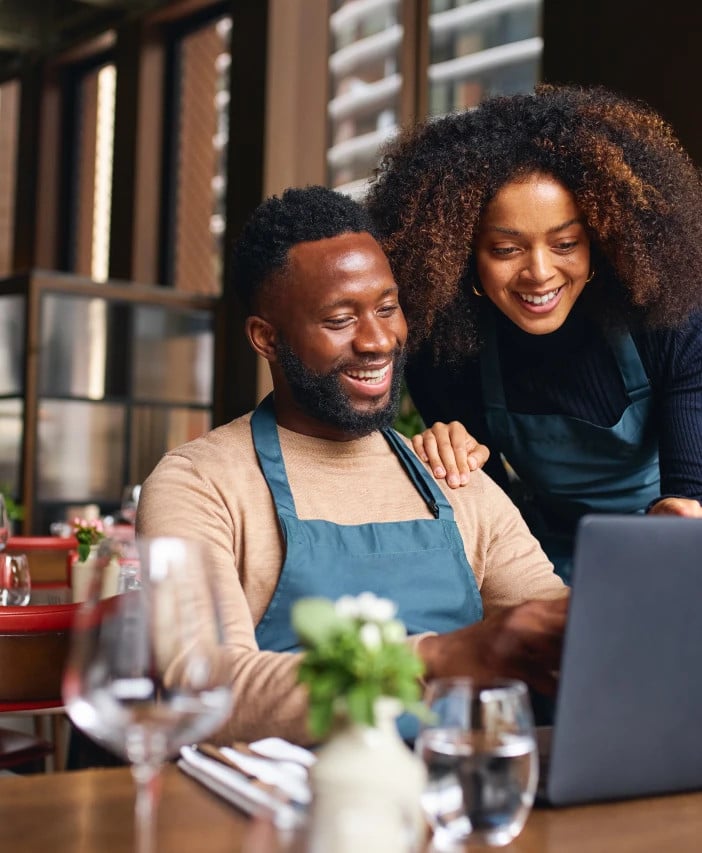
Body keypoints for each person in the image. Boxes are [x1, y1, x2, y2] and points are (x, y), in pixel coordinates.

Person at [136, 185, 566, 746]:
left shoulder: (452, 473)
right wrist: (438, 656)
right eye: (340, 320)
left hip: (457, 804)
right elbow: (203, 684)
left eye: (387, 308)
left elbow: (555, 630)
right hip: (281, 819)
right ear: (266, 338)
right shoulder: (198, 484)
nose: (379, 340)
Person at [366, 83, 702, 581]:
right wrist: (451, 462)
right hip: (547, 553)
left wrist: (673, 532)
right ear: (461, 256)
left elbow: (688, 503)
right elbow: (492, 524)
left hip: (673, 544)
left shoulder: (665, 318)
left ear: (601, 241)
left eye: (565, 242)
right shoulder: (447, 351)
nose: (540, 273)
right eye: (506, 250)